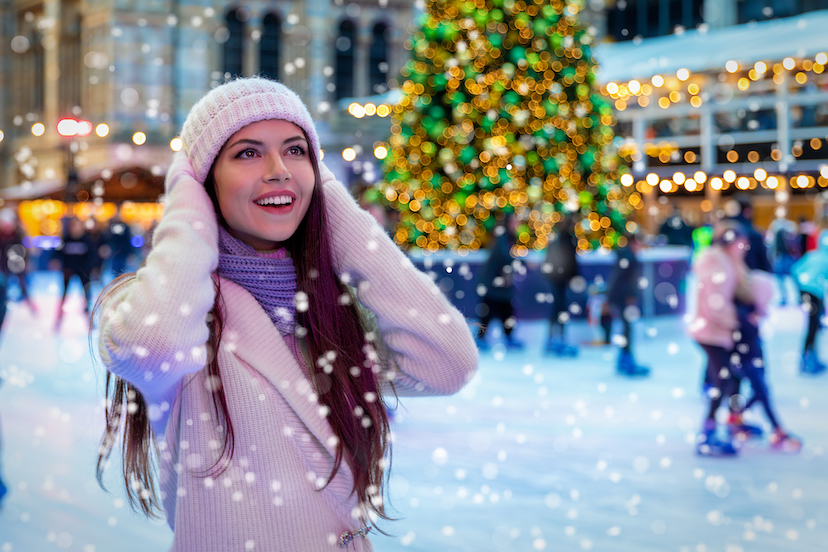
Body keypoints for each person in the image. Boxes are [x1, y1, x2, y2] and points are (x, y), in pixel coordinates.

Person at [94, 77, 477, 551]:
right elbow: (155, 346)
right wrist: (187, 203)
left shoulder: (332, 314)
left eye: (296, 151)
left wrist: (334, 210)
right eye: (248, 153)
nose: (279, 170)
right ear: (204, 182)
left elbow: (448, 363)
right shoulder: (157, 309)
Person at [689, 222, 801, 456]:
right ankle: (708, 432)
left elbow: (739, 290)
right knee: (724, 381)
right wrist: (739, 322)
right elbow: (715, 302)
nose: (744, 247)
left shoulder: (730, 261)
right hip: (714, 332)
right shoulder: (715, 260)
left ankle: (727, 422)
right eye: (741, 243)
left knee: (730, 379)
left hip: (725, 332)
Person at [475, 213, 524, 351]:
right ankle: (481, 338)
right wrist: (522, 262)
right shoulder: (501, 236)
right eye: (515, 221)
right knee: (488, 311)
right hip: (492, 282)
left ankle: (508, 337)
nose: (518, 224)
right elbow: (503, 256)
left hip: (502, 284)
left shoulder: (509, 237)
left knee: (506, 310)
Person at [606, 233, 649, 376]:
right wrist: (630, 296)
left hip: (619, 297)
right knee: (627, 329)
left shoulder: (626, 255)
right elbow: (624, 279)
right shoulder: (629, 257)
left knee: (626, 328)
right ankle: (626, 360)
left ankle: (624, 360)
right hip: (623, 298)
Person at [791, 228, 828, 374]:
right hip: (814, 294)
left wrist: (801, 288)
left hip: (807, 293)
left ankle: (810, 358)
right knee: (813, 327)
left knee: (814, 325)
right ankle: (807, 360)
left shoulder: (812, 255)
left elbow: (795, 269)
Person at [542, 214, 579, 356]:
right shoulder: (567, 240)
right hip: (560, 281)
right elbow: (571, 262)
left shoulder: (556, 239)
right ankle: (558, 340)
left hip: (556, 280)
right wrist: (575, 277)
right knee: (560, 309)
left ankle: (553, 339)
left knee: (557, 309)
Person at [56, 216, 96, 327]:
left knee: (87, 293)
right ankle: (59, 316)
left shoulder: (86, 240)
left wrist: (91, 268)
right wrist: (56, 261)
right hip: (68, 270)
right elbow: (58, 252)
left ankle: (89, 317)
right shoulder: (66, 239)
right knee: (64, 293)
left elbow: (93, 255)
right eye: (74, 226)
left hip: (83, 271)